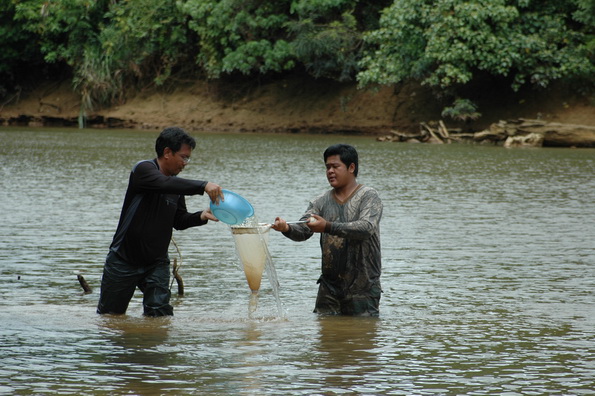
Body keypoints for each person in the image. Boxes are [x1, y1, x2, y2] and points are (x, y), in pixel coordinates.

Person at [97, 126, 224, 316]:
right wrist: (203, 185)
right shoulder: (143, 170)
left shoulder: (175, 184)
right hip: (123, 260)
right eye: (183, 157)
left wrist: (201, 216)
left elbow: (179, 220)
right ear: (167, 152)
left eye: (188, 158)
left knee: (160, 316)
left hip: (156, 263)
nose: (186, 163)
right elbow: (162, 183)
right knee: (110, 318)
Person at [271, 144, 383, 316]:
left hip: (363, 288)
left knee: (361, 340)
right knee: (326, 338)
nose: (330, 171)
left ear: (351, 167)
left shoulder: (368, 196)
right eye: (327, 167)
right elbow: (303, 229)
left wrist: (328, 226)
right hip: (329, 289)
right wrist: (285, 228)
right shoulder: (321, 201)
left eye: (335, 166)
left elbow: (366, 227)